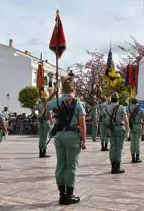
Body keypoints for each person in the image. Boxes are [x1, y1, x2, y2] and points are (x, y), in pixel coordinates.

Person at [49, 77, 86, 205]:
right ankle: (69, 195)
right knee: (71, 166)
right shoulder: (77, 103)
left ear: (62, 90)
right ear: (73, 89)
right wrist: (84, 140)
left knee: (60, 164)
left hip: (59, 136)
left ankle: (61, 195)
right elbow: (82, 124)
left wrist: (53, 93)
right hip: (72, 136)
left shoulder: (56, 101)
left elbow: (43, 106)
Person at [104, 92, 129, 174]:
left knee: (112, 147)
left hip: (110, 129)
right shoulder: (122, 108)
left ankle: (112, 167)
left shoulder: (106, 108)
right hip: (119, 129)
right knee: (119, 148)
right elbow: (126, 120)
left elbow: (104, 119)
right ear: (118, 99)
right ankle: (117, 167)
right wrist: (127, 130)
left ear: (111, 99)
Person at [35, 90, 55, 158]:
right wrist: (52, 123)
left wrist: (37, 116)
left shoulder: (39, 105)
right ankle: (44, 153)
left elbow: (33, 109)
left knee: (41, 138)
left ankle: (40, 153)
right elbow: (50, 116)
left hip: (40, 122)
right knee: (45, 138)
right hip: (46, 122)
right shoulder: (48, 105)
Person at [126, 97, 144, 163]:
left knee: (132, 143)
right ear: (137, 102)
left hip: (131, 127)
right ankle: (137, 157)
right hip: (138, 126)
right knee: (137, 143)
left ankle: (132, 158)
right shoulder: (141, 109)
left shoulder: (127, 108)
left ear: (131, 102)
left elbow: (126, 118)